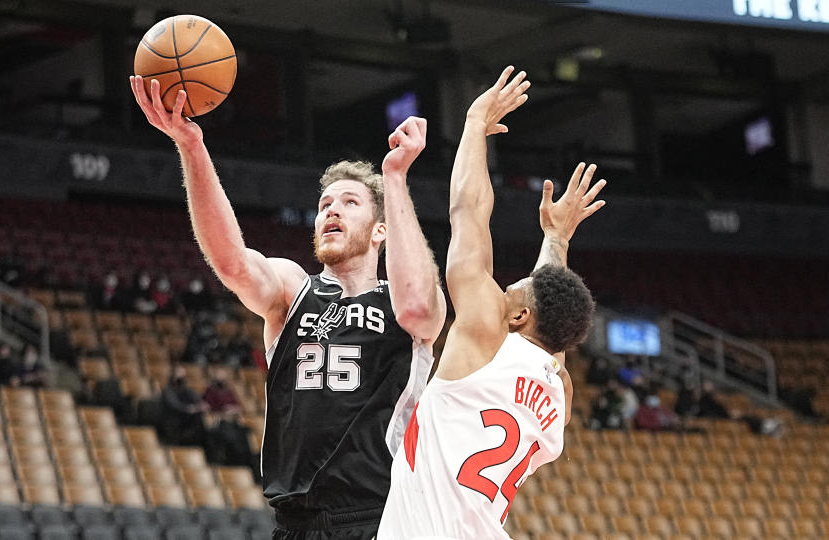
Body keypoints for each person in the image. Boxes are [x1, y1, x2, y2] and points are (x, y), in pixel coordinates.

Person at [131, 75, 446, 539]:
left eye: (350, 202)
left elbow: (420, 306)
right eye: (324, 204)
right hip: (293, 523)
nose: (331, 211)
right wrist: (192, 147)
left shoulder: (400, 305)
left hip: (379, 518)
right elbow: (232, 264)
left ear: (381, 230)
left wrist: (394, 178)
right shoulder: (293, 290)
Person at [378, 67, 604, 539]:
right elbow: (553, 328)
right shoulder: (557, 399)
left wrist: (475, 124)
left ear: (518, 316)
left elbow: (469, 213)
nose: (498, 292)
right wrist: (556, 238)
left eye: (509, 292)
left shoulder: (486, 338)